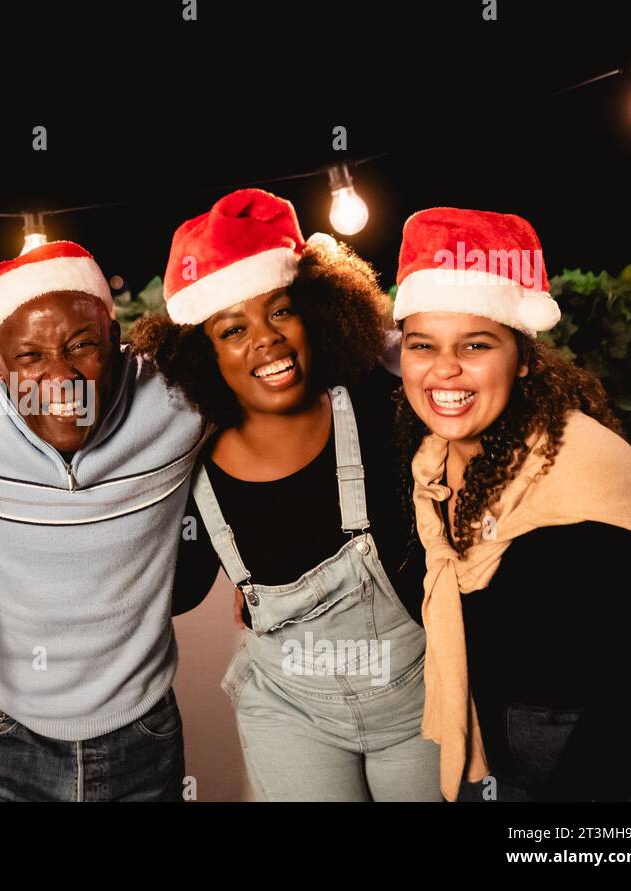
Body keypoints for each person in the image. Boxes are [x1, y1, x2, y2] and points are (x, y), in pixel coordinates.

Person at [132, 188, 440, 801]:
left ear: (314, 314)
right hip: (289, 713)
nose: (265, 340)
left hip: (417, 702)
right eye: (232, 330)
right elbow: (180, 588)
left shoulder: (383, 411)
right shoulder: (193, 468)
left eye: (280, 311)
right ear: (205, 353)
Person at [392, 206, 631, 801]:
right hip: (522, 760)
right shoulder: (439, 466)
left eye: (475, 344)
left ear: (523, 358)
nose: (444, 370)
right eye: (422, 345)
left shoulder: (581, 472)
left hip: (627, 767)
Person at [0, 241, 209, 801]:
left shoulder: (177, 398)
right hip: (5, 740)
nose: (62, 377)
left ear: (116, 341)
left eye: (83, 346)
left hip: (144, 732)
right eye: (30, 359)